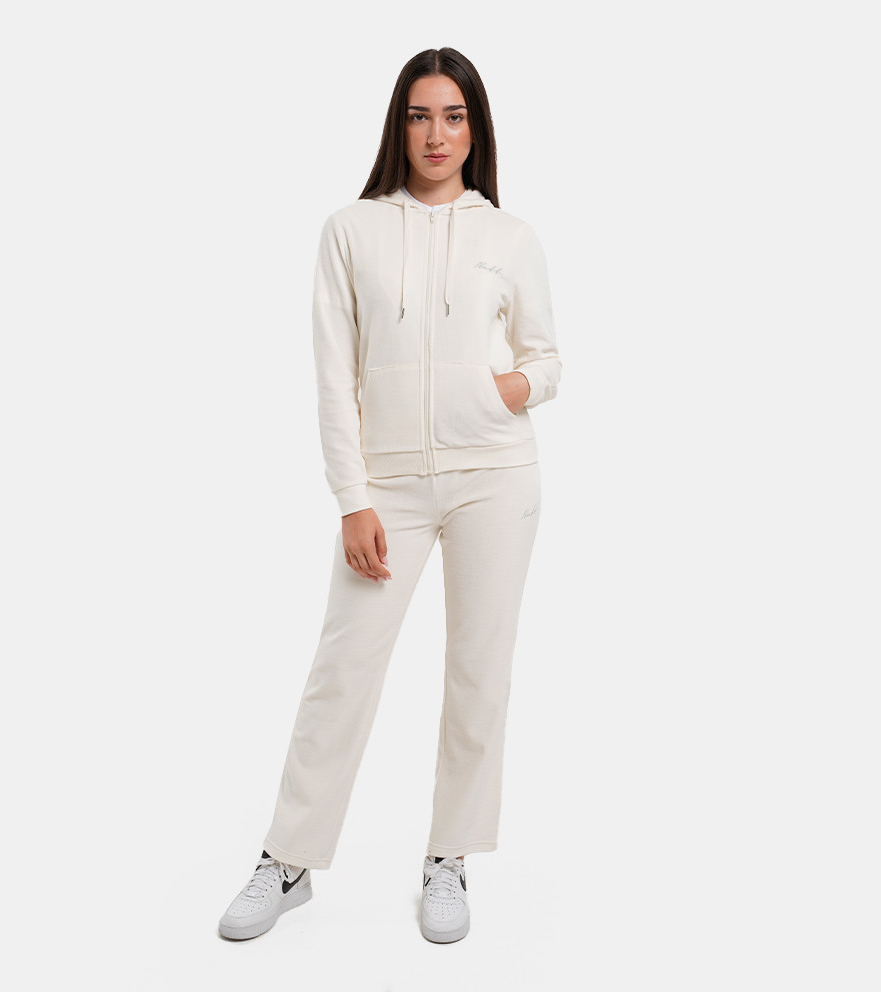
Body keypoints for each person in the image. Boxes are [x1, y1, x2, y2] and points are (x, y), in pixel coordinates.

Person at [218, 46, 562, 944]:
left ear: (475, 128)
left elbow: (547, 360)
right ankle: (287, 859)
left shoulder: (510, 236)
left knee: (479, 670)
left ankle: (449, 857)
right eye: (419, 115)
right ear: (398, 126)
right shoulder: (350, 230)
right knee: (344, 669)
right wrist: (352, 498)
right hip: (389, 488)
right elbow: (334, 378)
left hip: (496, 477)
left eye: (453, 116)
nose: (436, 134)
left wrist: (501, 391)